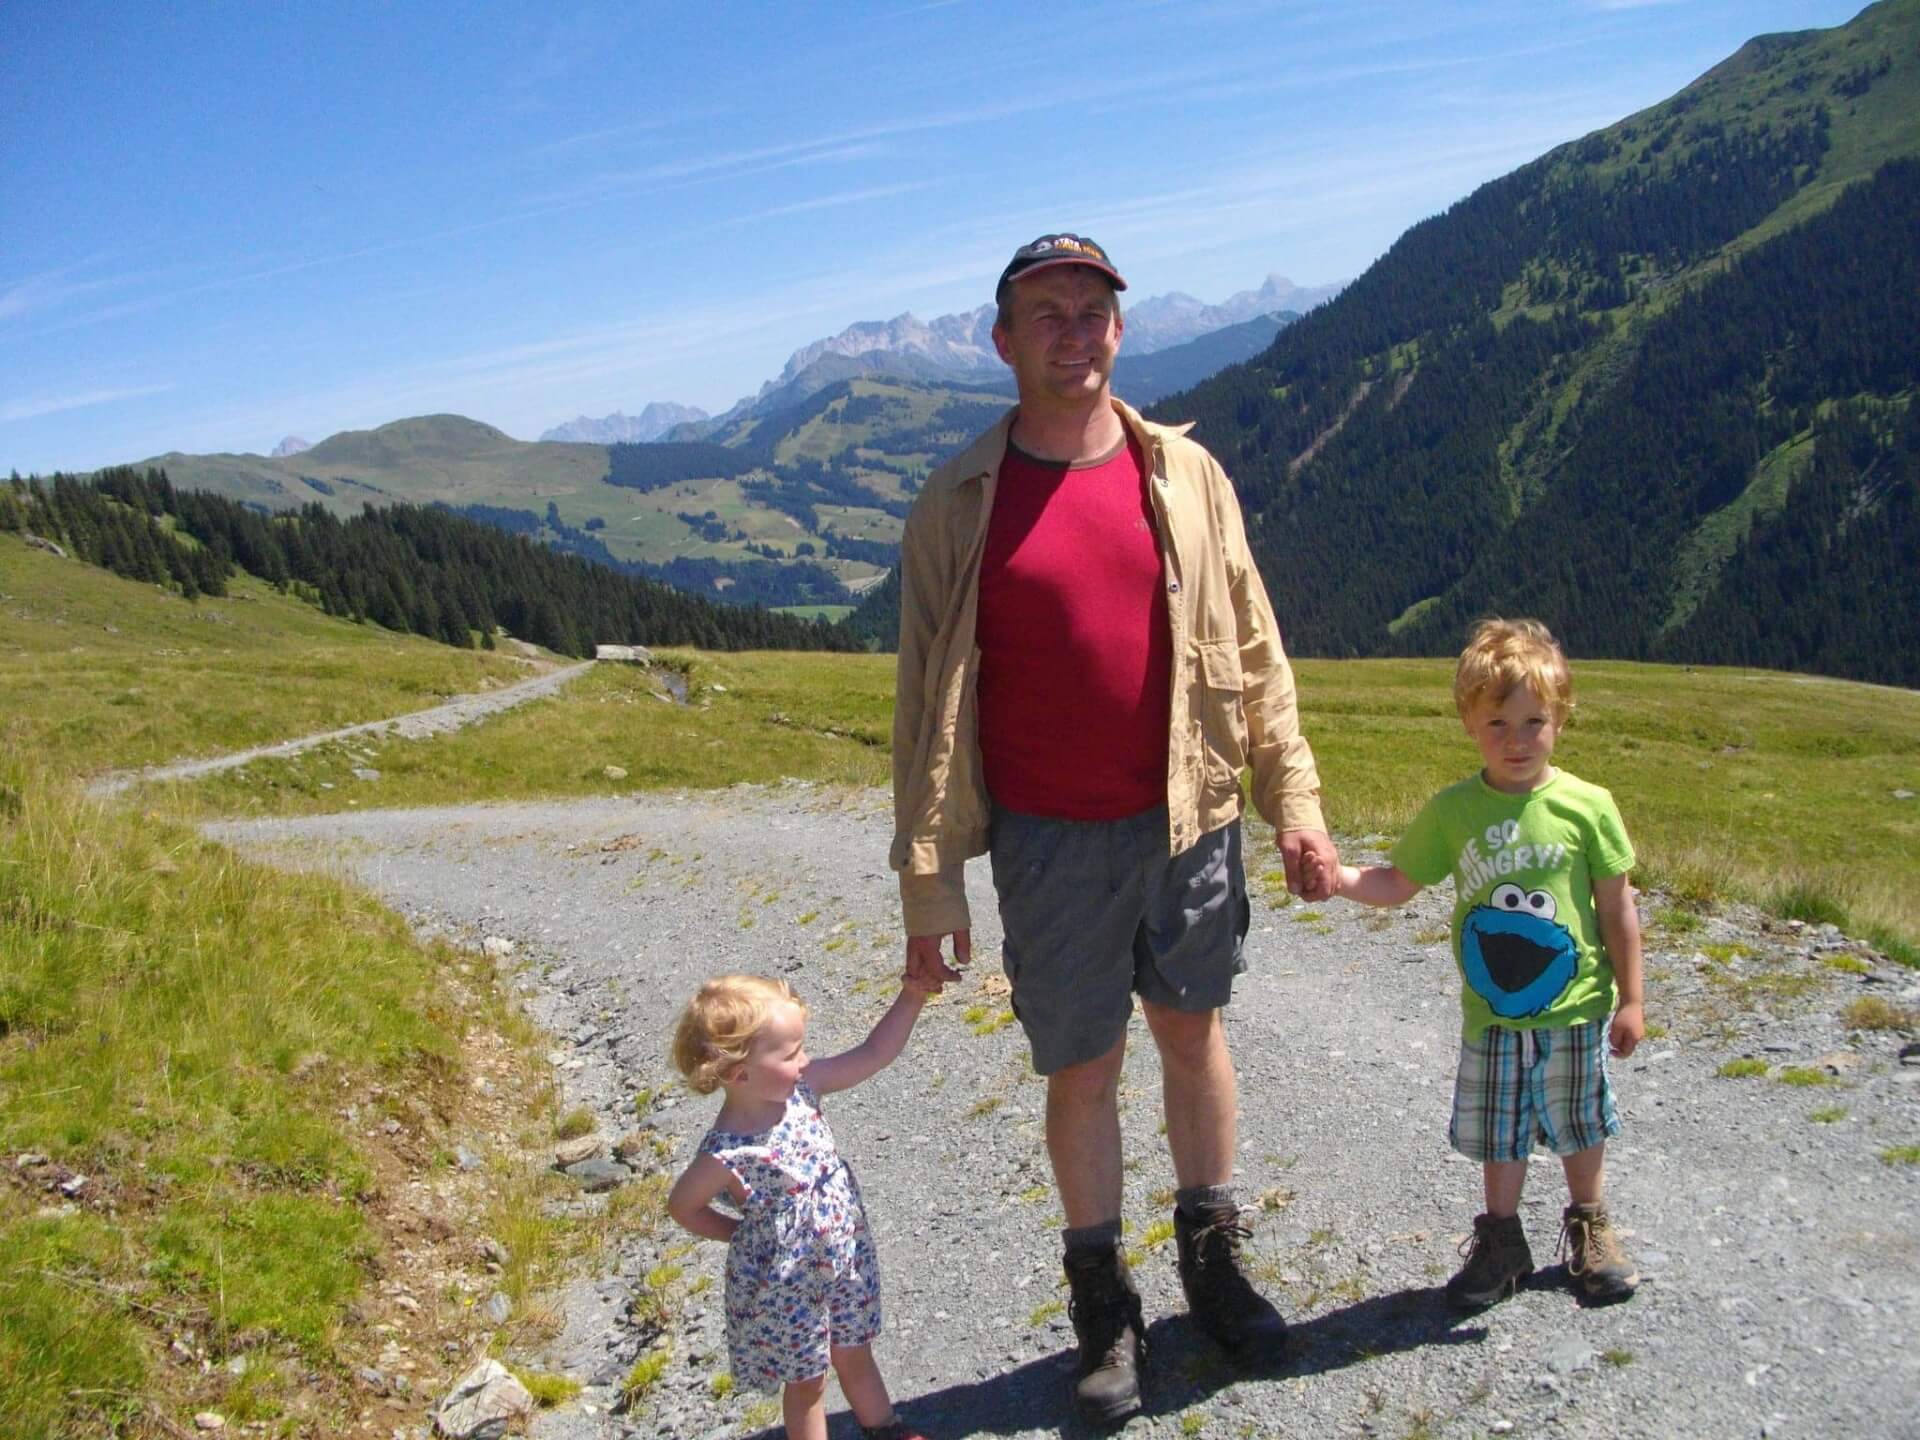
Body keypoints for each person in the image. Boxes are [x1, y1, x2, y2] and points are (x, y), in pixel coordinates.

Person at [889, 232, 1338, 1423]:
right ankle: (1104, 1308)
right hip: (1046, 841)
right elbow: (923, 707)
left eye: (1093, 311)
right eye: (1048, 313)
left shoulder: (1186, 474)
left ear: (1119, 332)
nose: (1075, 331)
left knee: (1193, 1035)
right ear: (1004, 341)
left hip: (1190, 817)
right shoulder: (958, 503)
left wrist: (1296, 804)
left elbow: (1256, 649)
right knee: (1081, 1068)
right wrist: (929, 891)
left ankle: (1214, 1268)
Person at [1304, 618, 1644, 1309]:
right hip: (1492, 1016)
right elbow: (1398, 882)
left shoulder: (1589, 808)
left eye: (1533, 722)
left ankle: (1589, 1225)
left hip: (1576, 1009)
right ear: (1468, 722)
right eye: (1497, 723)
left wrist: (1632, 998)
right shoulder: (1455, 811)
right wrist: (1339, 878)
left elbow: (1617, 909)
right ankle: (1502, 1241)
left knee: (1580, 1119)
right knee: (1501, 1130)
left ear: (1561, 719)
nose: (1516, 741)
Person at [666, 975, 931, 1440]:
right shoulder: (726, 1153)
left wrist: (913, 995)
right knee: (808, 1380)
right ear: (738, 1073)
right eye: (790, 1054)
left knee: (854, 1347)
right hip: (787, 1284)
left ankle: (884, 1427)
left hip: (844, 1256)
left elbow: (873, 1054)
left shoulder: (802, 1089)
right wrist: (737, 1235)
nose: (804, 1060)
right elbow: (683, 1206)